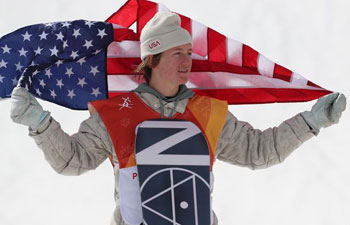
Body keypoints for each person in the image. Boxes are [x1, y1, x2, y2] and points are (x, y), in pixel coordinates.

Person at [10, 12, 346, 225]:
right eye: (176, 54)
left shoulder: (209, 113)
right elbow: (72, 160)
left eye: (188, 53)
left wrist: (312, 121)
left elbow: (259, 151)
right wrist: (39, 123)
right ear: (151, 59)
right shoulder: (115, 114)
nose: (187, 62)